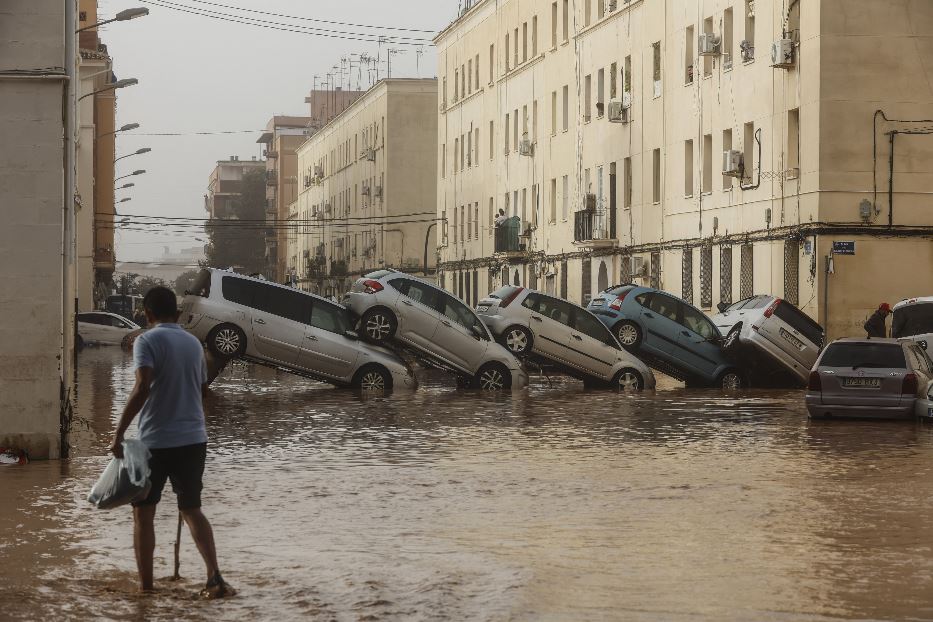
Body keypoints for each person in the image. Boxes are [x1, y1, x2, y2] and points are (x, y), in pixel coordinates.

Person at [109, 286, 232, 598]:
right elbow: (203, 391)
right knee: (192, 508)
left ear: (147, 314)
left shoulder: (146, 340)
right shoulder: (193, 343)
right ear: (177, 313)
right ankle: (215, 577)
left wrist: (119, 432)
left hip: (156, 441)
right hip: (194, 439)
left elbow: (141, 387)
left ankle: (147, 590)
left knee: (143, 512)